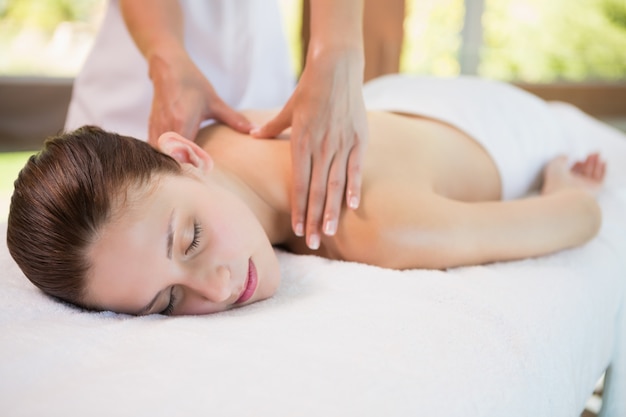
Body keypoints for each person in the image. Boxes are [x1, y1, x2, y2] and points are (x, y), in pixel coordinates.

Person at [8, 75, 606, 317]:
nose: (217, 288)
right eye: (167, 302)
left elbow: (578, 214)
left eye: (190, 239)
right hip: (399, 100)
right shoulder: (206, 143)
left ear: (186, 156)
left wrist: (564, 184)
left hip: (504, 119)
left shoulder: (377, 224)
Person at [65, 0, 368, 252]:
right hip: (137, 97)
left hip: (261, 71)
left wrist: (337, 51)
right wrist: (165, 57)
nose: (222, 289)